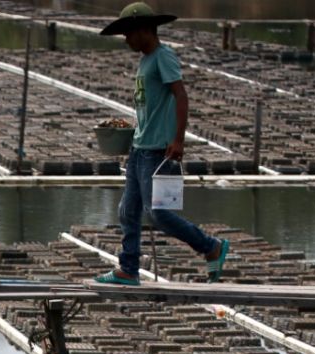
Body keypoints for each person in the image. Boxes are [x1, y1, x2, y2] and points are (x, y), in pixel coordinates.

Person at [95, 3, 230, 287]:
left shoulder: (163, 56)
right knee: (127, 211)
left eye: (129, 33)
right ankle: (128, 268)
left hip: (158, 148)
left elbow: (180, 96)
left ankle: (210, 246)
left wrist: (178, 139)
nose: (126, 40)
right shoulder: (144, 61)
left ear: (144, 30)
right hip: (139, 146)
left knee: (157, 214)